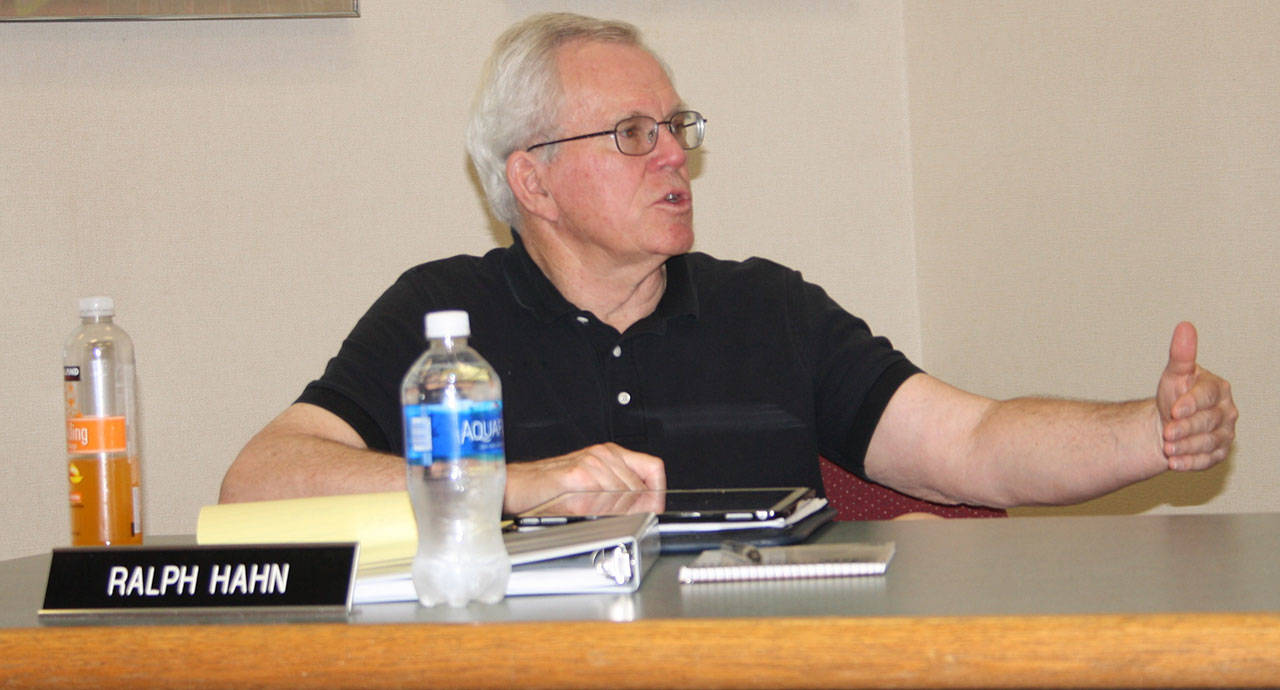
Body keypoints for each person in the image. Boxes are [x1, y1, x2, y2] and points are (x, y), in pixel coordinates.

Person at [219, 13, 1236, 517]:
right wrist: (519, 484)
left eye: (674, 125)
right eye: (629, 133)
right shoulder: (446, 316)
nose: (673, 154)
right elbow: (261, 481)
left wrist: (1141, 433)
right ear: (529, 180)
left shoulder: (766, 308)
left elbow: (968, 443)